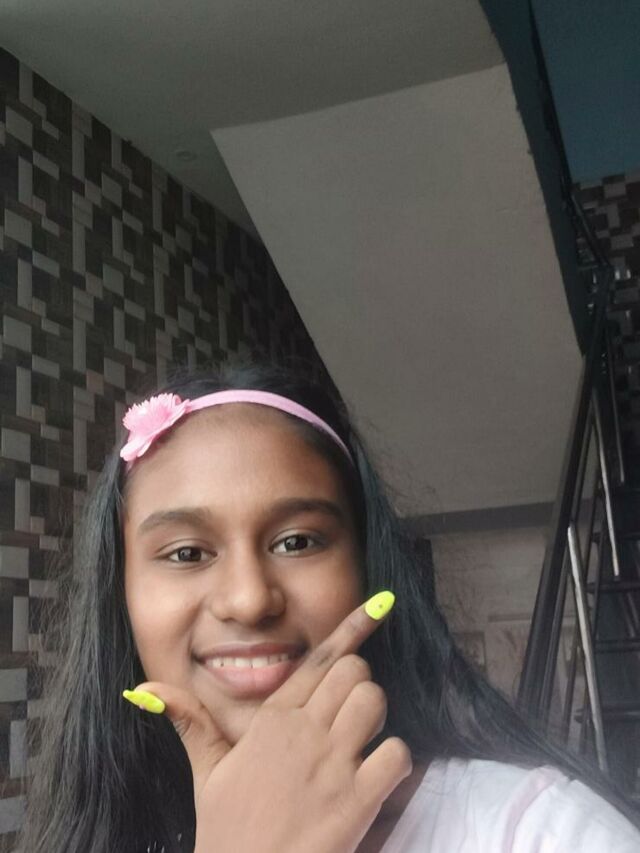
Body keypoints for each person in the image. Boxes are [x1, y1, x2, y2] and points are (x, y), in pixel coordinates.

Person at [19, 361, 640, 852]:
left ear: (367, 568)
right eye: (186, 553)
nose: (249, 600)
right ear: (121, 594)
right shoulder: (98, 835)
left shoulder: (540, 831)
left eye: (298, 542)